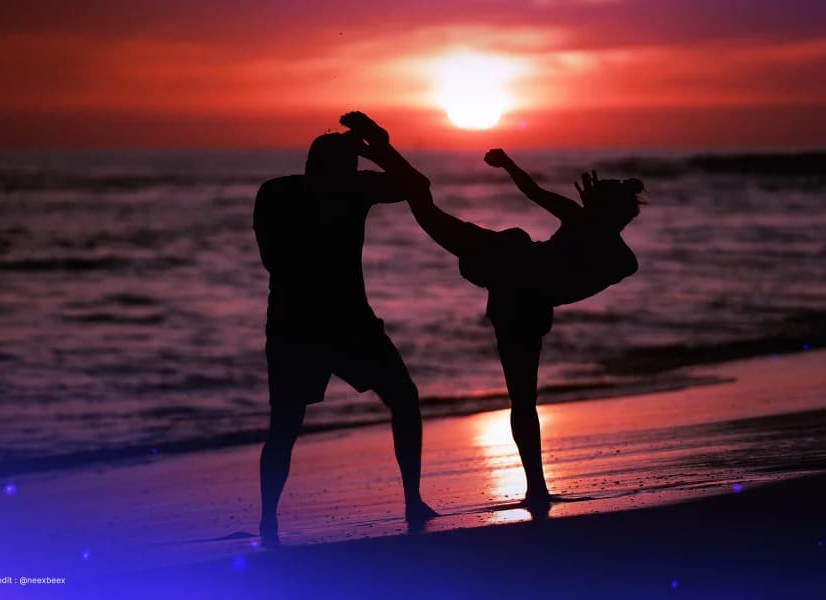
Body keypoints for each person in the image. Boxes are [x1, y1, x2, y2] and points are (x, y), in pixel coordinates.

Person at [406, 148, 642, 507]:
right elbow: (536, 195)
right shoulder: (611, 248)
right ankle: (536, 487)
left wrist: (509, 165)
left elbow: (537, 196)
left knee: (444, 220)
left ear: (603, 209)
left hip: (519, 294)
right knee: (523, 400)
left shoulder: (597, 235)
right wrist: (510, 165)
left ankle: (537, 488)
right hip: (526, 301)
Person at [253, 111, 436, 546]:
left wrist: (376, 148)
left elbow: (418, 187)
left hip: (301, 325)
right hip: (327, 325)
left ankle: (269, 522)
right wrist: (378, 148)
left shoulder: (279, 191)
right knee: (395, 399)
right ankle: (410, 501)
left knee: (288, 424)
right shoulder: (346, 190)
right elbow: (418, 187)